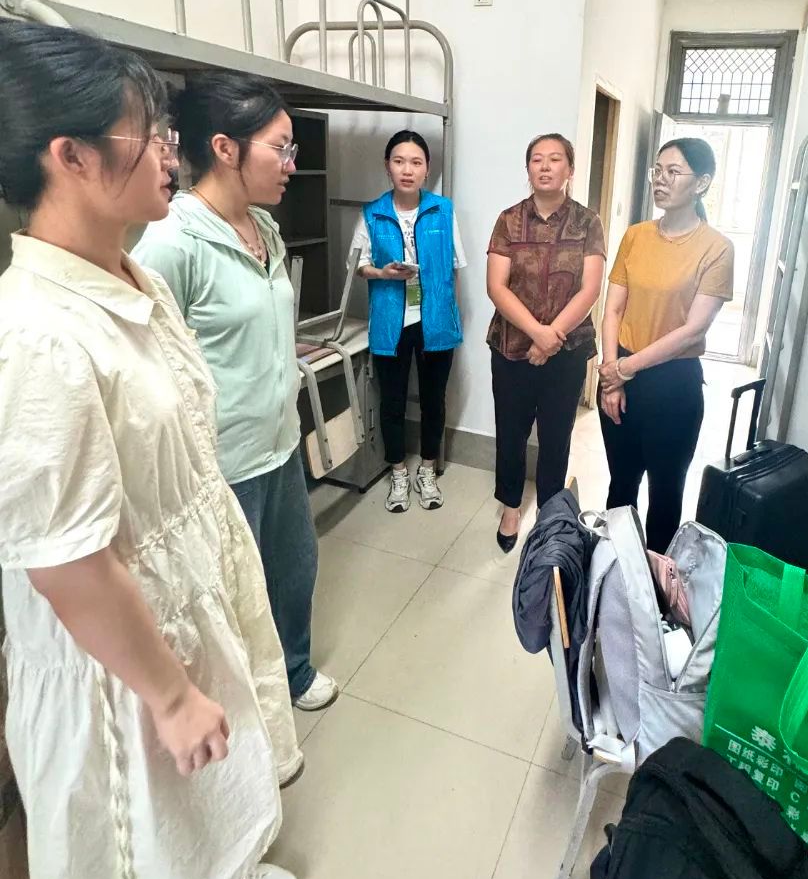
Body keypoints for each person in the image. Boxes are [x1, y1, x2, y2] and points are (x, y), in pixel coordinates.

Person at [0, 22, 300, 879]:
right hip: (105, 633)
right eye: (146, 132)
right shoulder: (34, 334)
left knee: (202, 769)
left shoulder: (140, 277)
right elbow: (67, 564)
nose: (169, 151)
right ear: (72, 157)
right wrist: (167, 694)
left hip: (183, 574)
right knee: (104, 819)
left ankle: (216, 877)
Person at [134, 74, 338, 714]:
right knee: (225, 596)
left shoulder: (266, 228)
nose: (291, 163)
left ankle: (293, 673)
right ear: (225, 149)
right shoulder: (173, 241)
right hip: (221, 464)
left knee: (293, 570)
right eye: (280, 148)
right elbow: (150, 360)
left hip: (281, 441)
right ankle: (242, 708)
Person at [598, 138, 734, 553]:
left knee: (665, 495)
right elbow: (612, 309)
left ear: (701, 183)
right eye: (658, 170)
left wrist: (625, 369)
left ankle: (657, 583)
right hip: (620, 374)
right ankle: (614, 572)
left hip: (673, 384)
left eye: (673, 172)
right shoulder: (636, 236)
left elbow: (693, 330)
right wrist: (611, 374)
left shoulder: (716, 248)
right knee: (621, 486)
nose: (661, 179)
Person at [486, 133, 606, 552]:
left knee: (557, 435)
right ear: (528, 169)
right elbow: (496, 287)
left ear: (570, 169)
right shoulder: (508, 220)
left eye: (555, 159)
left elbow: (590, 289)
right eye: (537, 159)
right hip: (511, 347)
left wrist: (552, 335)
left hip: (567, 352)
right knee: (511, 431)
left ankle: (551, 514)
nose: (545, 166)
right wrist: (537, 333)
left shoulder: (588, 222)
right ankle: (511, 506)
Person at [353, 130, 465, 513]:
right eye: (399, 161)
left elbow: (454, 267)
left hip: (435, 321)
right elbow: (359, 265)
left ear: (427, 169)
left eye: (416, 162)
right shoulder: (373, 213)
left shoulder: (443, 210)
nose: (407, 169)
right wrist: (383, 273)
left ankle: (427, 470)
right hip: (390, 321)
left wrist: (447, 313)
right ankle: (398, 472)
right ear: (387, 166)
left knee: (434, 401)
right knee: (392, 401)